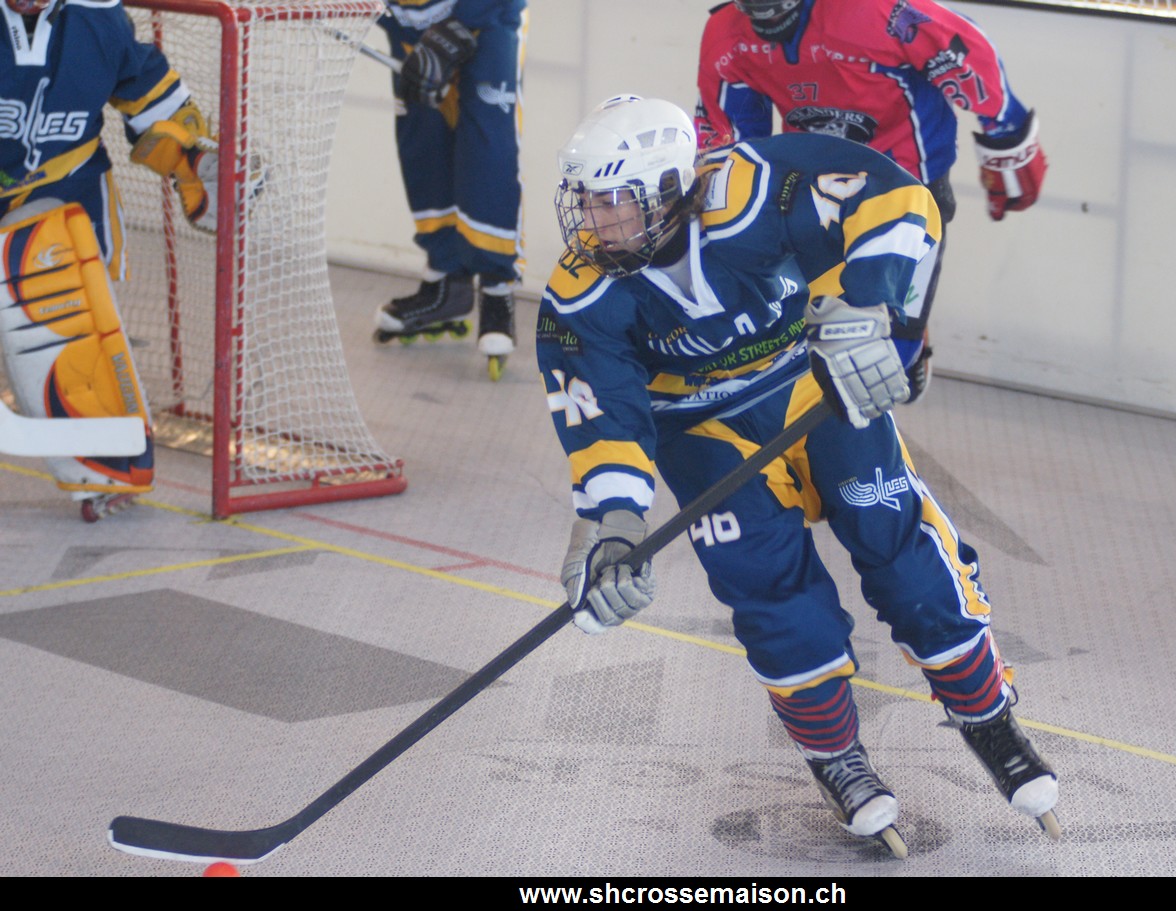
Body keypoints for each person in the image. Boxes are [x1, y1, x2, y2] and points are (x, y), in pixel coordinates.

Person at [537, 95, 1060, 855]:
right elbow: (604, 413)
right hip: (702, 428)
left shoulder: (758, 186)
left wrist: (866, 304)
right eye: (586, 201)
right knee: (769, 590)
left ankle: (990, 718)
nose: (594, 221)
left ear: (670, 187)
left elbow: (900, 197)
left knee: (901, 550)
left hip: (813, 383)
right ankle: (835, 756)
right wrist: (613, 521)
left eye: (613, 200)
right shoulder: (579, 293)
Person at [695, 0, 1049, 402]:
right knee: (799, 320)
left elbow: (958, 45)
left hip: (909, 187)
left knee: (889, 349)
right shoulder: (726, 35)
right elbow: (730, 142)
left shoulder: (877, 9)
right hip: (817, 184)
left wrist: (1007, 131)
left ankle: (909, 342)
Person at [0, 0, 216, 521]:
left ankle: (103, 468)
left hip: (64, 198)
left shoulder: (98, 19)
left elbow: (155, 105)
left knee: (68, 335)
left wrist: (195, 161)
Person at [373, 0, 528, 379]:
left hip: (486, 17)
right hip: (409, 20)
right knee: (423, 148)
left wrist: (467, 20)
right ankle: (446, 281)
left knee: (488, 152)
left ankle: (496, 290)